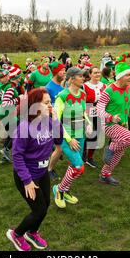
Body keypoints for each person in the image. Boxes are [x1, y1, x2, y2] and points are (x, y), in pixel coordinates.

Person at [7, 88, 63, 251]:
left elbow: (59, 138)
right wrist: (27, 181)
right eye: (46, 103)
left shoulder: (49, 121)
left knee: (45, 204)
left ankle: (32, 232)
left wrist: (55, 120)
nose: (50, 105)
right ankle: (16, 234)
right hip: (26, 175)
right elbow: (17, 156)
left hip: (42, 172)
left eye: (50, 102)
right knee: (38, 210)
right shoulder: (24, 127)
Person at [96, 62, 130, 185]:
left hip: (122, 124)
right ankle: (109, 148)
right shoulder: (109, 90)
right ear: (120, 76)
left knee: (119, 153)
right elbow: (99, 109)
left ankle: (104, 175)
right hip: (108, 124)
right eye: (128, 75)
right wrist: (111, 117)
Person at [52, 67, 92, 209]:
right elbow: (56, 121)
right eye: (80, 76)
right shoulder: (62, 96)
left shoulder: (82, 93)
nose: (83, 78)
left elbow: (82, 112)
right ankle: (59, 190)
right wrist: (69, 139)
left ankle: (66, 190)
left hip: (80, 135)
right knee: (79, 167)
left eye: (83, 76)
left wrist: (88, 123)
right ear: (71, 79)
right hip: (67, 137)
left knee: (74, 166)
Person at [83, 67, 106, 168]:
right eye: (95, 73)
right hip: (88, 113)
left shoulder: (104, 86)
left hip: (100, 113)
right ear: (90, 74)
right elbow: (82, 101)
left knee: (95, 135)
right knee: (87, 135)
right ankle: (83, 152)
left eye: (98, 72)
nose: (97, 74)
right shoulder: (85, 86)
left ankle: (90, 157)